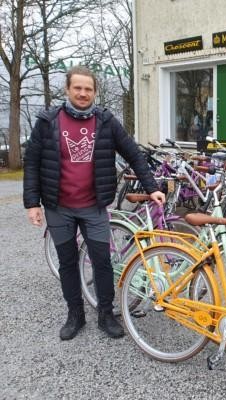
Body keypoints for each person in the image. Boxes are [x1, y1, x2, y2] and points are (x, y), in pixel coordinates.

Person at [23, 66, 165, 341]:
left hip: (94, 207)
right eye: (77, 88)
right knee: (67, 263)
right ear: (67, 89)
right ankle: (74, 314)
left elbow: (134, 154)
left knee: (102, 262)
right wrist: (32, 203)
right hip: (58, 207)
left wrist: (152, 188)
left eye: (88, 89)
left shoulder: (106, 121)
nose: (83, 93)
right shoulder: (48, 121)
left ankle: (105, 315)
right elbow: (32, 162)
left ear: (95, 92)